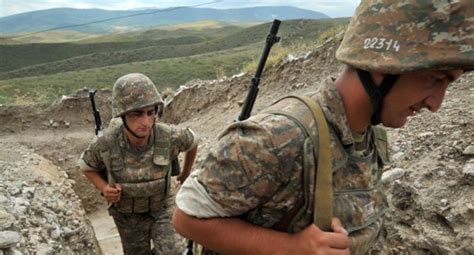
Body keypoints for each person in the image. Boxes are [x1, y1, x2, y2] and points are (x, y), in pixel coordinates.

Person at [172, 0, 473, 254]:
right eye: (437, 78)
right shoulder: (277, 138)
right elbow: (186, 219)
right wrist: (291, 248)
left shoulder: (371, 135)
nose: (436, 104)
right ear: (385, 63)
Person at [79, 73, 198, 255]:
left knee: (174, 251)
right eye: (137, 114)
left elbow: (193, 142)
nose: (146, 122)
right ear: (123, 115)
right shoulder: (107, 142)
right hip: (128, 216)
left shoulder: (169, 136)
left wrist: (185, 173)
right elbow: (86, 166)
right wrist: (104, 188)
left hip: (162, 209)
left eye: (151, 113)